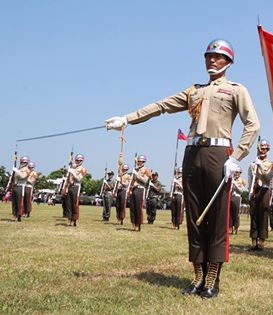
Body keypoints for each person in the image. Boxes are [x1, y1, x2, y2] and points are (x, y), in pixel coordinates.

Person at [105, 39, 260, 299]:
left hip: (219, 154)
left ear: (228, 62)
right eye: (209, 56)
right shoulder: (194, 91)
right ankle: (198, 276)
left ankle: (212, 278)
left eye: (218, 57)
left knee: (217, 217)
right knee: (195, 216)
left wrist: (237, 157)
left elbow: (253, 125)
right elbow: (162, 105)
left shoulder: (236, 90)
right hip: (192, 153)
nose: (212, 60)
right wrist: (127, 119)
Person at [247, 139, 273, 251]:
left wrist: (260, 167)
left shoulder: (271, 164)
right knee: (254, 215)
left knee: (263, 216)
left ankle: (261, 242)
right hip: (255, 190)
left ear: (268, 150)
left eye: (265, 149)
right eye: (261, 148)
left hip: (264, 190)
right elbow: (250, 179)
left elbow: (268, 178)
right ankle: (253, 241)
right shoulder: (252, 164)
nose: (263, 151)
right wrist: (250, 190)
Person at [63, 154, 87, 227]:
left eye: (80, 160)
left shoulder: (83, 169)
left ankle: (74, 219)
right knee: (68, 204)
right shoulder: (72, 168)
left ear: (82, 161)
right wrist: (65, 187)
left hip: (76, 187)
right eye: (77, 160)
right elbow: (67, 179)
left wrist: (72, 171)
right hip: (70, 186)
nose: (78, 161)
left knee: (75, 204)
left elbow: (79, 178)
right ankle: (69, 219)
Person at [129, 155, 151, 231]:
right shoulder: (135, 169)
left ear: (143, 162)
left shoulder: (146, 170)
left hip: (140, 189)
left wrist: (137, 175)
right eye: (138, 161)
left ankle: (138, 224)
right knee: (132, 207)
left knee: (138, 207)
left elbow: (145, 180)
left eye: (140, 161)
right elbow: (132, 180)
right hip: (134, 189)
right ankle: (133, 223)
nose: (138, 162)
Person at [11, 156, 32, 222]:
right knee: (14, 202)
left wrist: (16, 170)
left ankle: (18, 215)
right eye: (22, 162)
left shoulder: (27, 170)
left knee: (19, 202)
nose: (22, 163)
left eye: (24, 162)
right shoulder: (19, 169)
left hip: (21, 186)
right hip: (16, 186)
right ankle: (15, 215)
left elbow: (23, 176)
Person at [230, 166, 246, 235]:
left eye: (237, 172)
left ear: (240, 173)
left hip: (237, 197)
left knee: (236, 213)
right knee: (230, 213)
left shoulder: (242, 180)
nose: (236, 174)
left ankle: (236, 227)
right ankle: (230, 227)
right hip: (231, 197)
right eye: (235, 172)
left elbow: (241, 190)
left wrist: (235, 184)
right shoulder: (232, 179)